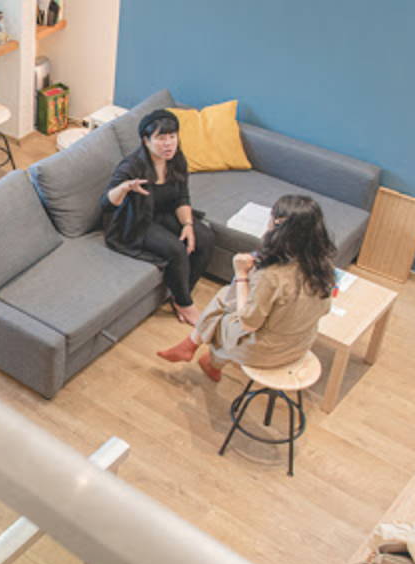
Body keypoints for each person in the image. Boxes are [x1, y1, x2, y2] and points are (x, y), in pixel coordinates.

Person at [157, 194, 337, 382]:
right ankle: (202, 356)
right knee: (230, 297)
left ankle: (195, 348)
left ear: (277, 225)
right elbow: (324, 309)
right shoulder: (323, 265)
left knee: (224, 309)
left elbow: (248, 324)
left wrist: (241, 274)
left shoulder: (271, 275)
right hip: (301, 344)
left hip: (266, 352)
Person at [102, 109, 215, 324]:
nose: (168, 143)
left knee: (206, 239)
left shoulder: (177, 159)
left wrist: (188, 225)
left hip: (164, 212)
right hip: (135, 221)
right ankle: (185, 304)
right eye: (161, 138)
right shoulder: (132, 166)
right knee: (177, 249)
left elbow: (182, 197)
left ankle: (181, 293)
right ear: (146, 141)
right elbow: (106, 204)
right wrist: (125, 188)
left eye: (172, 136)